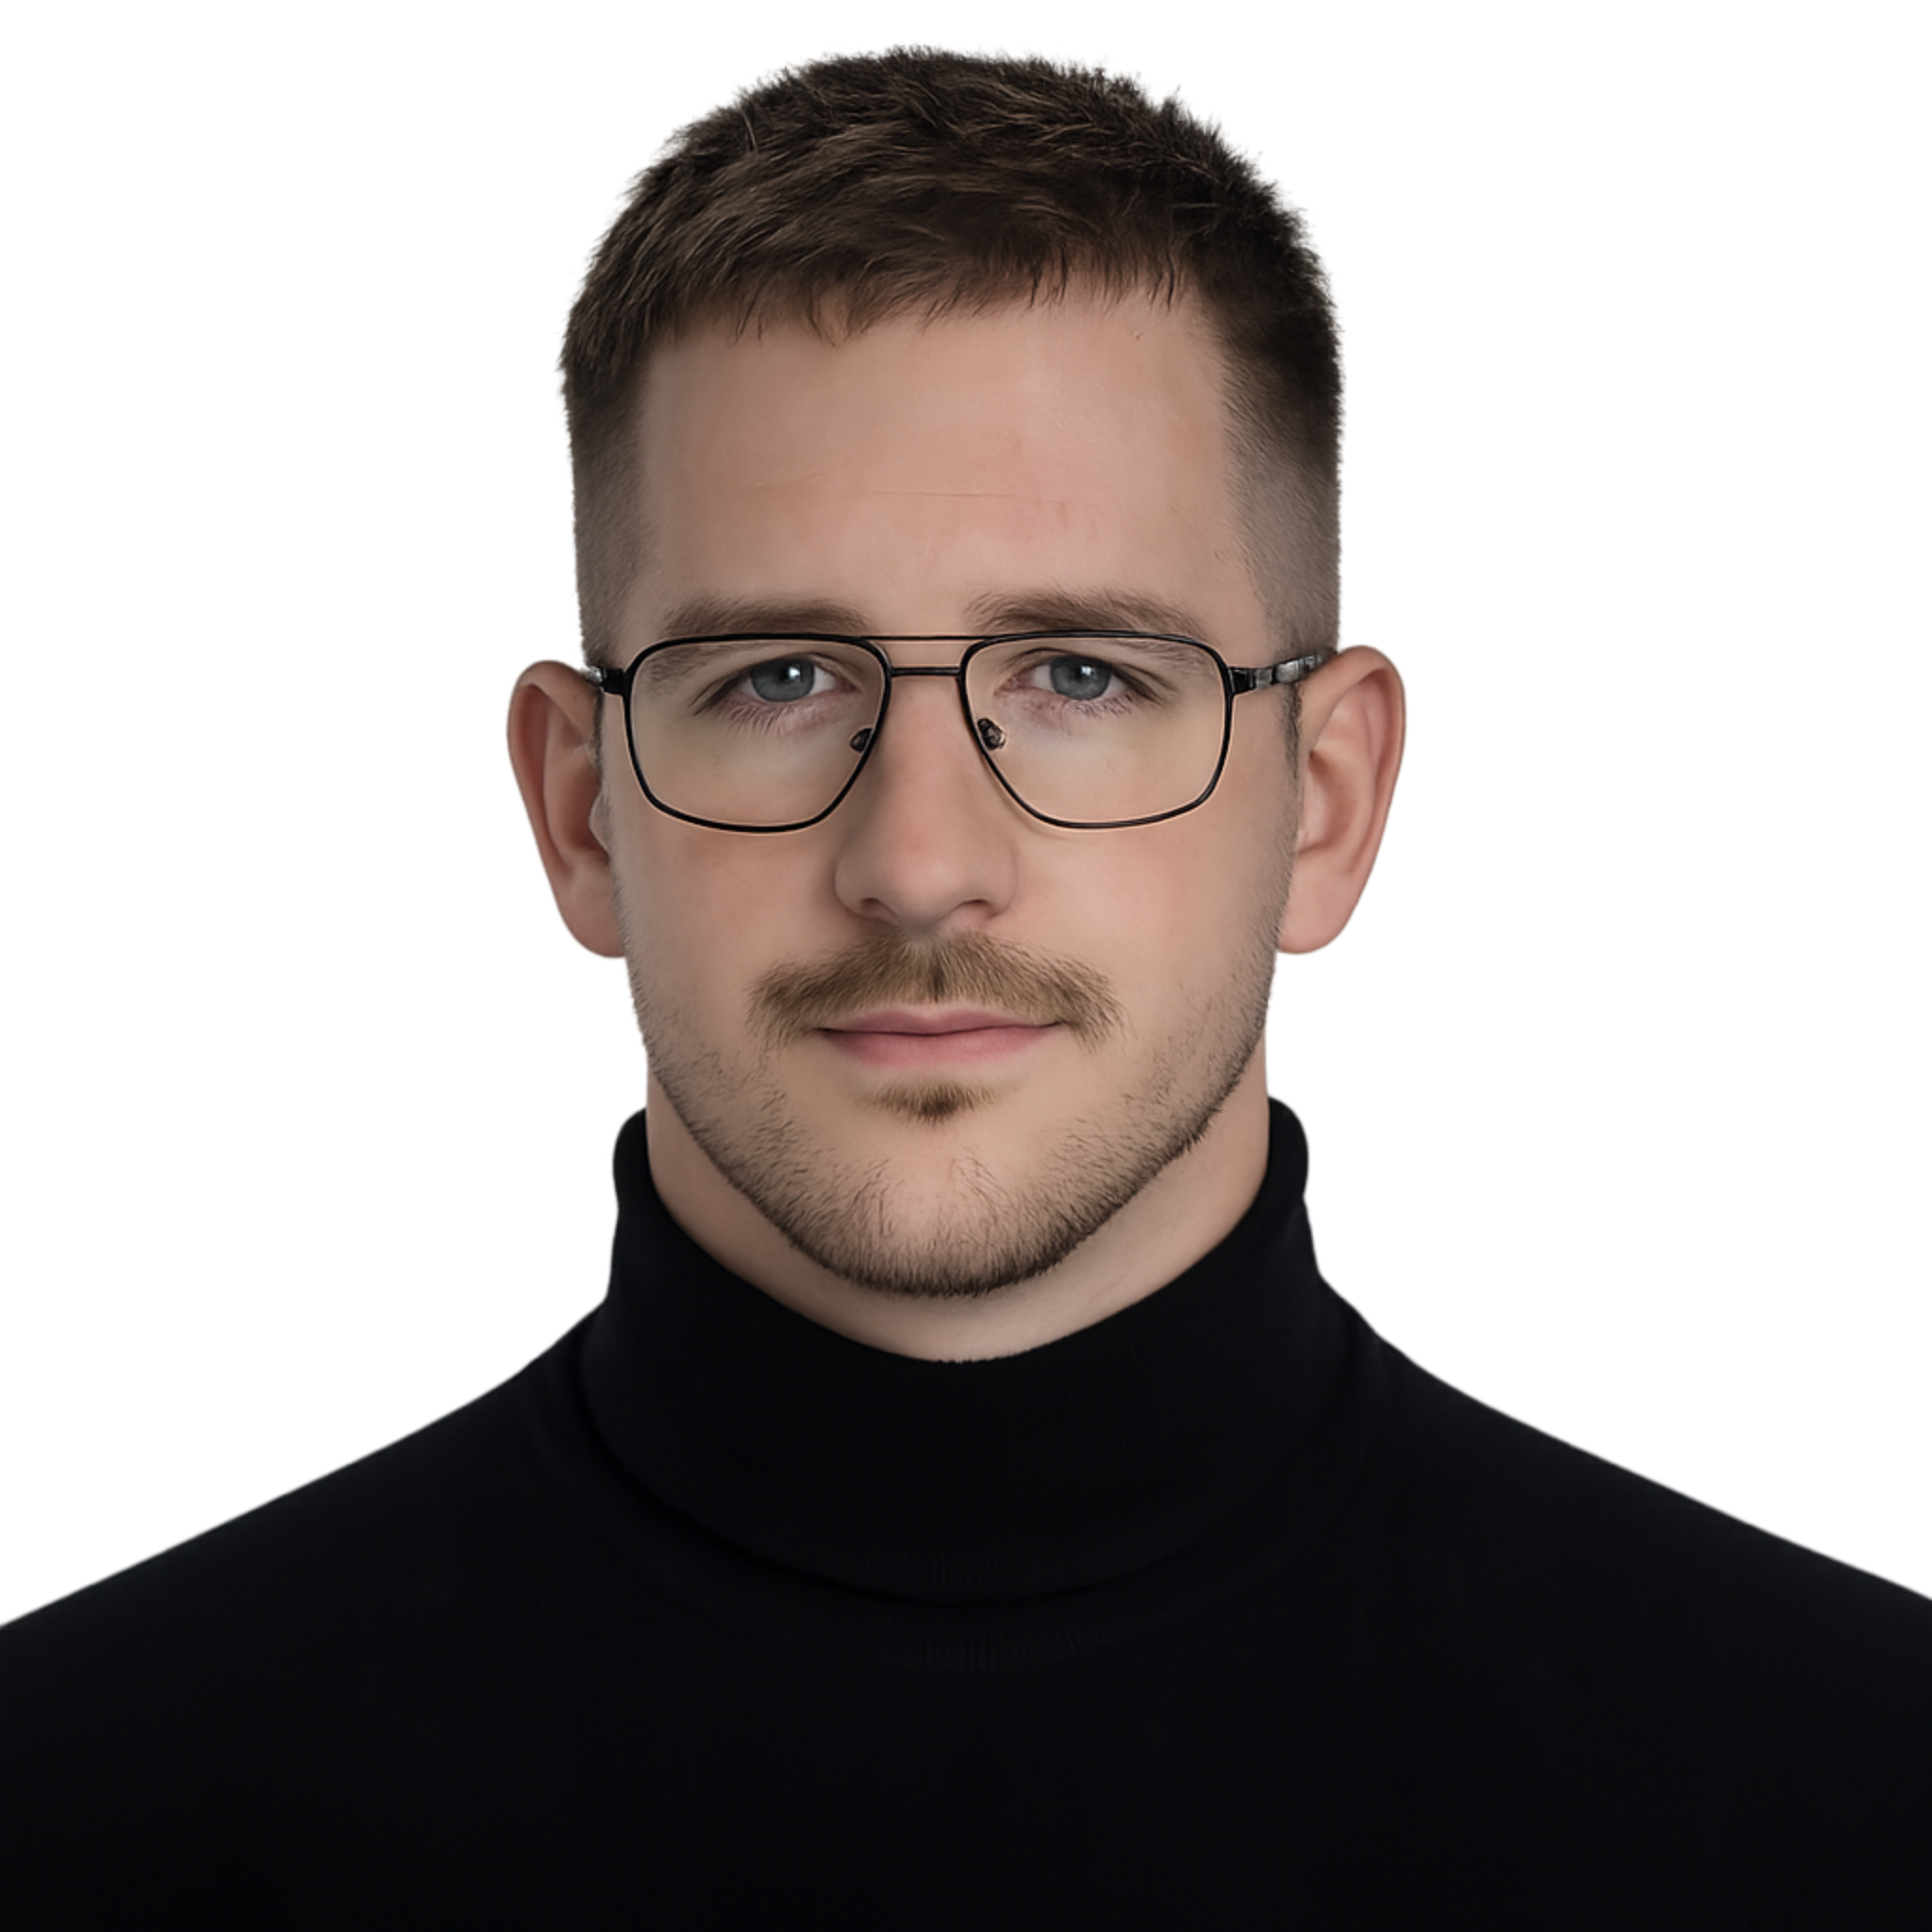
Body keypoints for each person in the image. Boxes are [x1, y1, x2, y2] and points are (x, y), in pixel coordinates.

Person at [3, 43, 1924, 1925]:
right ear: (575, 809)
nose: (918, 862)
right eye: (776, 679)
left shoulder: (1865, 1790)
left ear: (1331, 799)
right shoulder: (73, 1801)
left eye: (1082, 675)